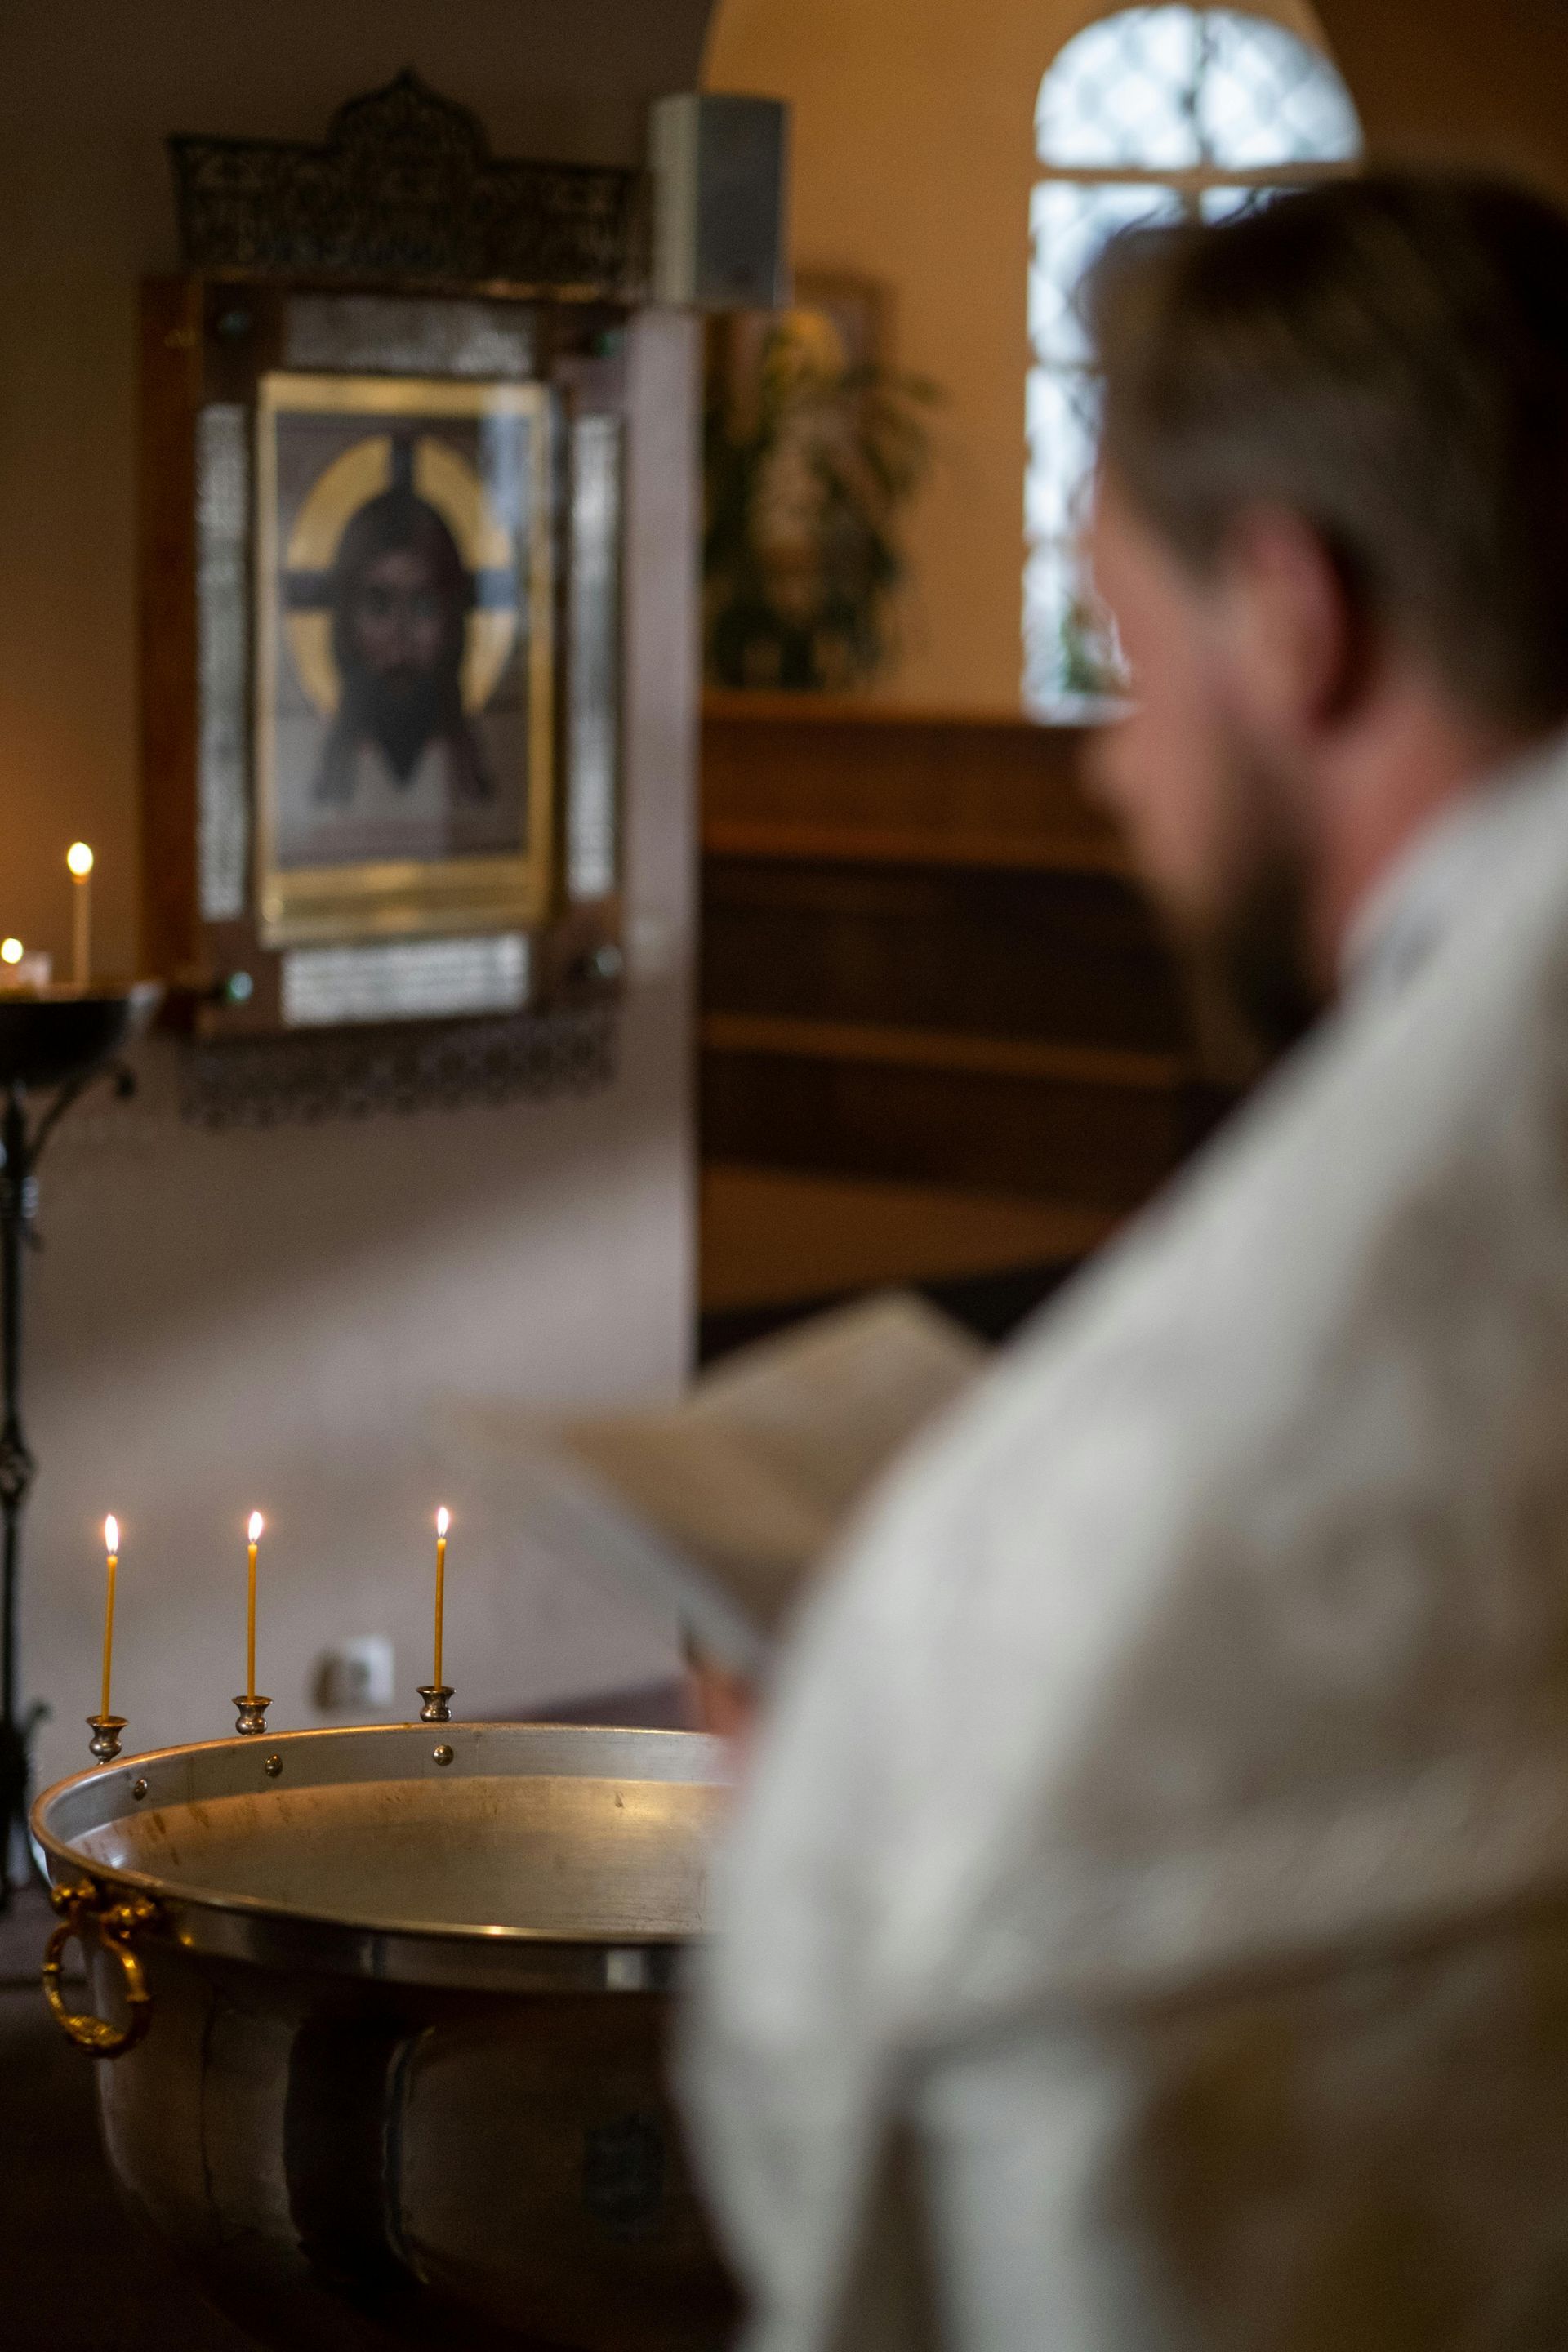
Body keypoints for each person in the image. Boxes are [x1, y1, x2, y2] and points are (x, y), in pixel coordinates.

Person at [682, 173, 1568, 2351]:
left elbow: (911, 2032)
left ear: (1290, 612)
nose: (1108, 759)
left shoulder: (1092, 1556)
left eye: (1122, 638)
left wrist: (848, 1763)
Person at [312, 460, 493, 816]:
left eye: (424, 607)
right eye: (379, 605)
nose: (400, 635)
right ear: (347, 620)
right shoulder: (287, 750)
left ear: (453, 621)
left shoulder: (496, 753)